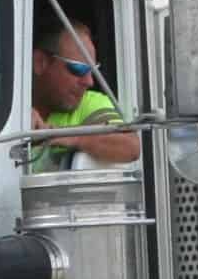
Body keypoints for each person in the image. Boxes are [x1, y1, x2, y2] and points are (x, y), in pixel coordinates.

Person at [28, 12, 140, 174]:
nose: (89, 81)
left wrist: (74, 138)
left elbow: (131, 146)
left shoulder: (90, 102)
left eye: (93, 70)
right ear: (40, 63)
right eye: (79, 69)